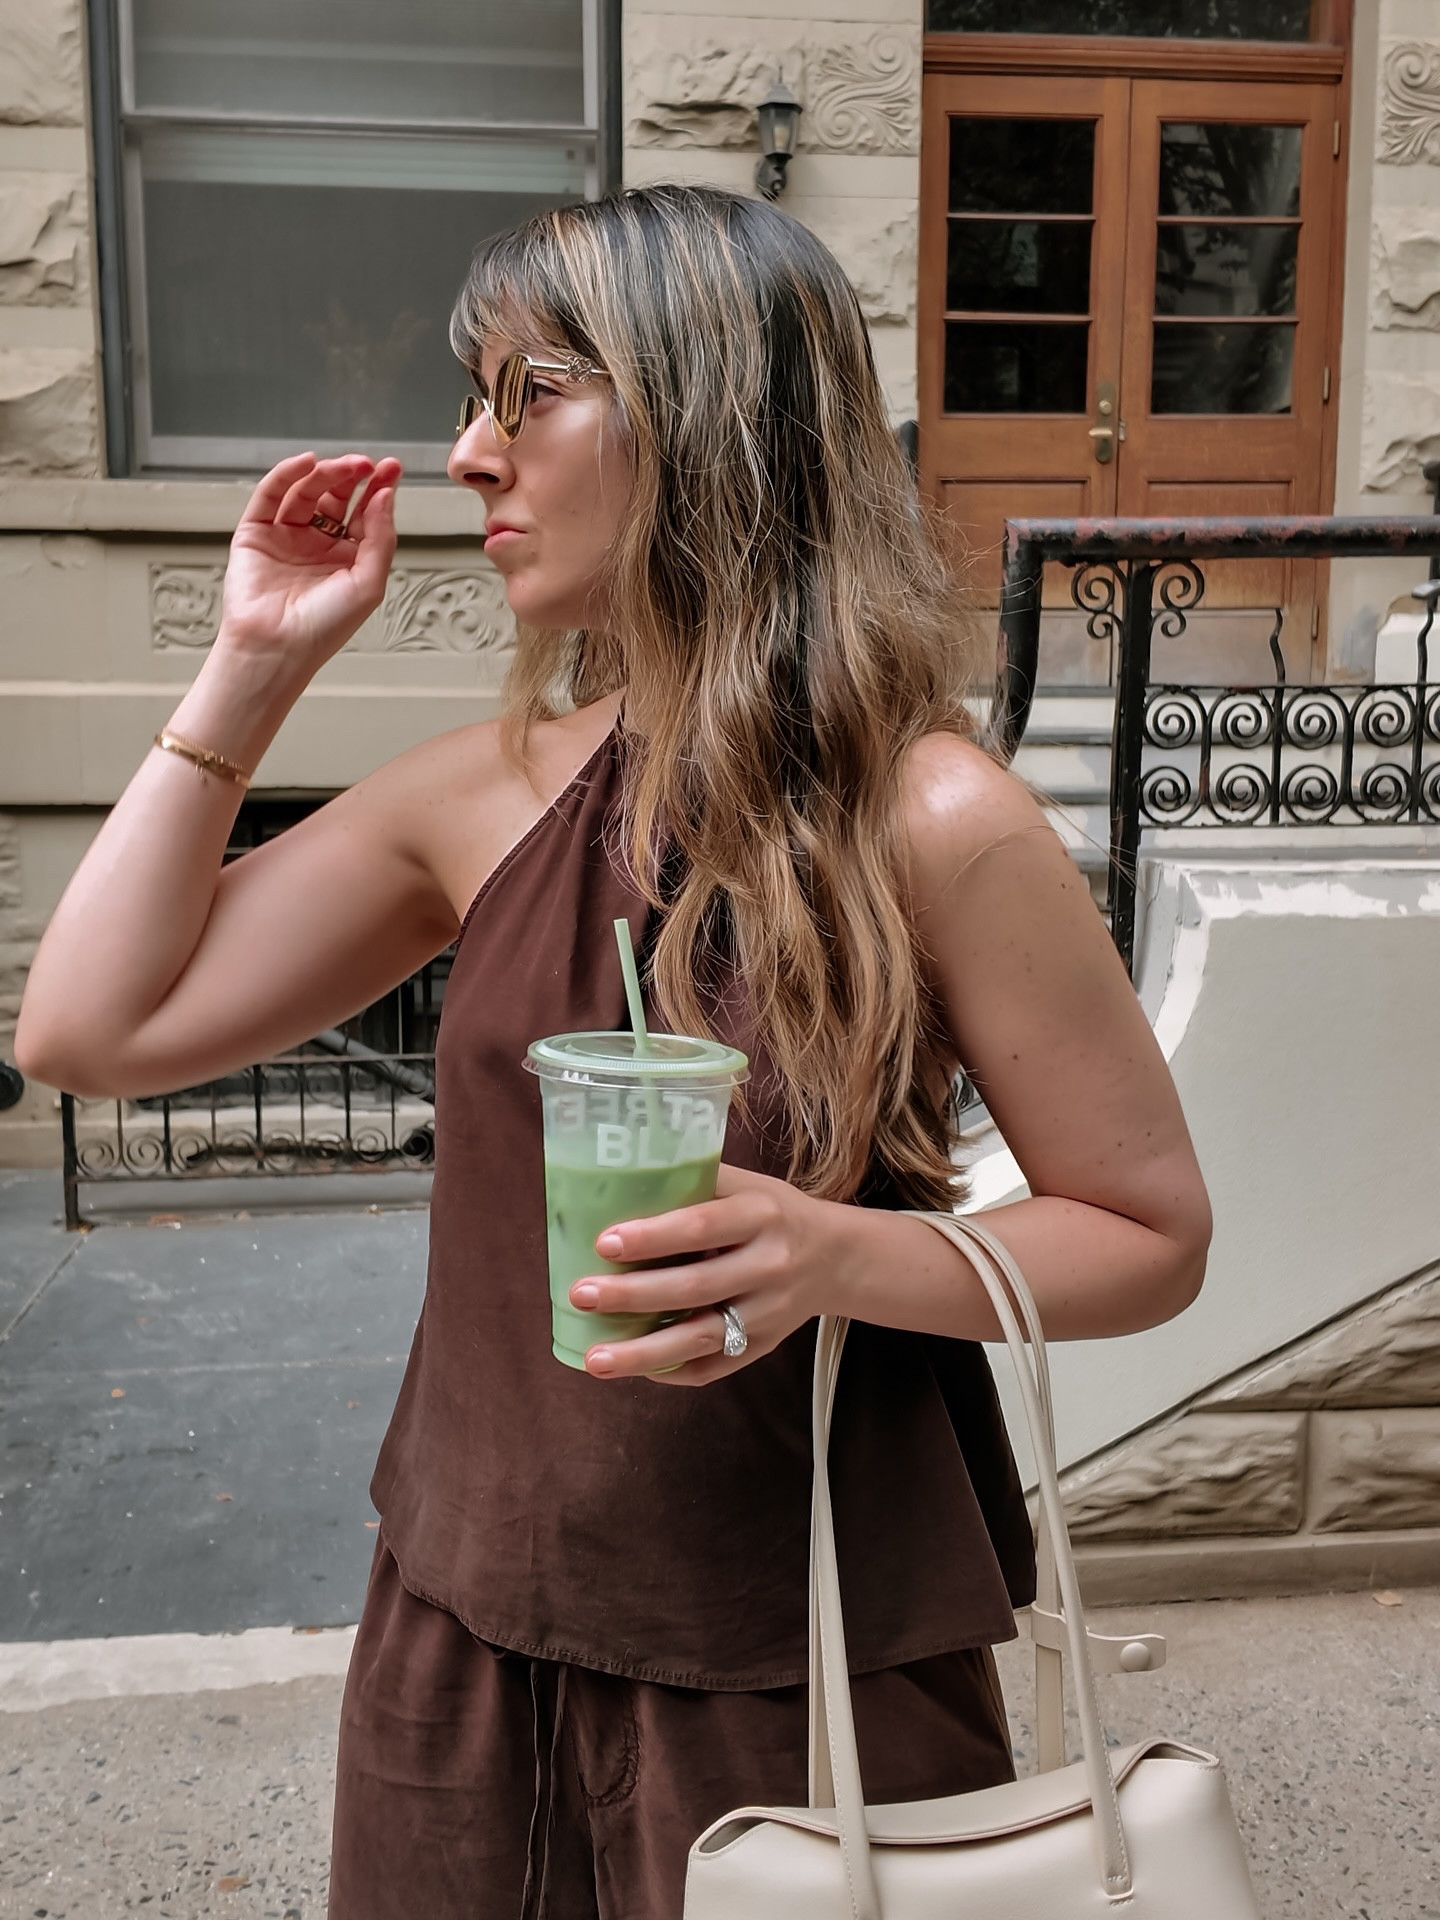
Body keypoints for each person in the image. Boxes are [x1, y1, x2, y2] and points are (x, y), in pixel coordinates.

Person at [15, 184, 1211, 1918]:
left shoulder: (934, 819)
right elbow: (88, 1029)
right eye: (475, 398)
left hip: (797, 1665)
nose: (467, 456)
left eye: (531, 392)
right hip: (459, 1632)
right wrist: (251, 668)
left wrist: (833, 1254)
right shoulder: (488, 796)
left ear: (712, 419)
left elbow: (1150, 1230)